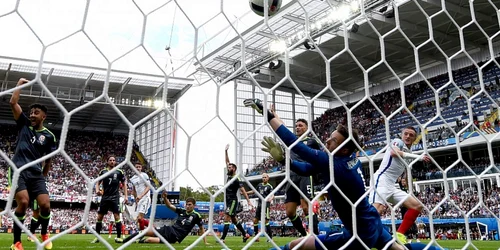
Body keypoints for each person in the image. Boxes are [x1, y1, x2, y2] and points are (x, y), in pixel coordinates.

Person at [245, 99, 440, 250]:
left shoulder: (336, 165)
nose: (327, 141)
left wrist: (268, 114)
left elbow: (294, 144)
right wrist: (283, 161)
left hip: (358, 235)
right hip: (371, 224)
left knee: (298, 245)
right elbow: (304, 169)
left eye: (333, 140)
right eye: (330, 137)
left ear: (345, 149)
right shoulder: (344, 162)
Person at [244, 100, 321, 236]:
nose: (297, 127)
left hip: (304, 174)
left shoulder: (311, 141)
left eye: (301, 125)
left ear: (307, 128)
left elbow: (318, 159)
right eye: (296, 126)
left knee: (305, 207)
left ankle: (314, 235)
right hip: (291, 176)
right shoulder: (291, 141)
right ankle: (304, 235)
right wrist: (274, 114)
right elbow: (282, 127)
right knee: (290, 212)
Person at [9, 78, 57, 250]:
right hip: (18, 169)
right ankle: (16, 242)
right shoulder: (24, 125)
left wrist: (43, 175)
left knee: (45, 205)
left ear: (43, 116)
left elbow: (49, 158)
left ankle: (44, 233)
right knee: (23, 202)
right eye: (31, 112)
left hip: (36, 173)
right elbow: (13, 102)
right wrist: (20, 83)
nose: (32, 115)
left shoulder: (50, 136)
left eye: (36, 113)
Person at [369, 127, 430, 244]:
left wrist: (408, 186)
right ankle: (357, 235)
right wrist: (419, 157)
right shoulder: (398, 142)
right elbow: (393, 153)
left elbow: (406, 173)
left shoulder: (408, 153)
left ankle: (399, 235)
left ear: (415, 139)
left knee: (417, 206)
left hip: (391, 186)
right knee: (378, 210)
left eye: (411, 135)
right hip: (381, 180)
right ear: (402, 135)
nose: (407, 136)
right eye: (405, 134)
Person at [122, 193, 208, 245]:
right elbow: (169, 206)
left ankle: (138, 242)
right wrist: (165, 198)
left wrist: (205, 242)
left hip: (175, 236)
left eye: (190, 204)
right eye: (187, 204)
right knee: (145, 231)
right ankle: (124, 241)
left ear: (194, 205)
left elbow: (201, 229)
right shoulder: (182, 211)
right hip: (169, 229)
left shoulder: (196, 216)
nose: (188, 206)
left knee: (149, 239)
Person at [91, 156, 128, 243]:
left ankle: (119, 237)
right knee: (100, 217)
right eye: (110, 160)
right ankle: (97, 237)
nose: (112, 161)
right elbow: (98, 182)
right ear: (107, 162)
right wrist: (97, 190)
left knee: (117, 217)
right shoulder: (103, 172)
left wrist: (126, 196)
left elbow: (124, 184)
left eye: (113, 160)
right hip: (105, 197)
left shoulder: (119, 172)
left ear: (115, 162)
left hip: (115, 197)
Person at [220, 144, 253, 243]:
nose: (228, 167)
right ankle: (245, 235)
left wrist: (248, 201)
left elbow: (242, 190)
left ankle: (222, 239)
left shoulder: (237, 178)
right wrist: (226, 151)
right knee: (234, 219)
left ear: (234, 169)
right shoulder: (229, 175)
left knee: (226, 218)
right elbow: (227, 161)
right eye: (228, 166)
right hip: (228, 200)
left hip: (233, 201)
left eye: (230, 167)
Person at [246, 173, 274, 241]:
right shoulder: (259, 185)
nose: (264, 178)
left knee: (266, 221)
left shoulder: (269, 186)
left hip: (266, 205)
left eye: (265, 177)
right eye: (263, 177)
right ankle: (256, 237)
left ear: (268, 178)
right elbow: (253, 191)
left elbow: (273, 194)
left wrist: (271, 198)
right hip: (259, 205)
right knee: (255, 221)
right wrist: (246, 193)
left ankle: (270, 238)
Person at [129, 162, 151, 231]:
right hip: (139, 199)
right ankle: (153, 227)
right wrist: (136, 199)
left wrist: (141, 196)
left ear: (141, 168)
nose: (138, 168)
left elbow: (148, 187)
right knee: (139, 219)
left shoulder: (144, 175)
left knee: (139, 218)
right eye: (136, 167)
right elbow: (134, 190)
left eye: (139, 167)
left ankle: (140, 234)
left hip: (145, 198)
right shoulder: (133, 178)